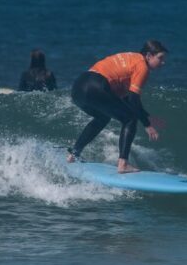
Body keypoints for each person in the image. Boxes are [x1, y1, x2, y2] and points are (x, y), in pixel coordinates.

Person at [67, 40, 167, 173]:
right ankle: (123, 164)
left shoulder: (131, 59)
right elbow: (133, 99)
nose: (163, 63)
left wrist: (147, 116)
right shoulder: (142, 66)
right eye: (160, 58)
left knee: (102, 117)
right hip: (97, 86)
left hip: (79, 87)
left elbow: (126, 99)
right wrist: (147, 124)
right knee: (130, 119)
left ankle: (73, 155)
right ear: (149, 56)